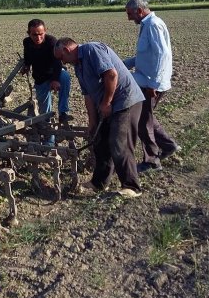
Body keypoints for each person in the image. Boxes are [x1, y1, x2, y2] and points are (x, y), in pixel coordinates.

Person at [54, 37, 145, 197]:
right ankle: (99, 183)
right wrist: (93, 122)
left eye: (62, 58)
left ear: (67, 50)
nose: (64, 63)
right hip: (108, 104)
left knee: (119, 143)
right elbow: (88, 95)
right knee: (100, 143)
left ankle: (131, 186)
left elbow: (111, 75)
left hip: (125, 101)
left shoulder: (91, 50)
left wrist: (106, 103)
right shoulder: (78, 66)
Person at [124, 0, 181, 173]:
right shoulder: (147, 25)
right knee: (147, 118)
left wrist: (153, 84)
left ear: (140, 10)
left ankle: (152, 161)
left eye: (130, 13)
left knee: (142, 122)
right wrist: (121, 65)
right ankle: (169, 146)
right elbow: (145, 56)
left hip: (150, 83)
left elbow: (161, 55)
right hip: (145, 79)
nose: (129, 18)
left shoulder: (153, 25)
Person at [21, 19, 71, 145]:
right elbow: (27, 57)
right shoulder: (27, 43)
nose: (38, 37)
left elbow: (57, 63)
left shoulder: (51, 41)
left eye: (40, 34)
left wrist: (55, 80)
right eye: (34, 34)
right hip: (40, 78)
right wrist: (26, 66)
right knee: (45, 113)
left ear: (45, 31)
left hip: (54, 72)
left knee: (65, 77)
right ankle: (49, 142)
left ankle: (63, 112)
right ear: (28, 33)